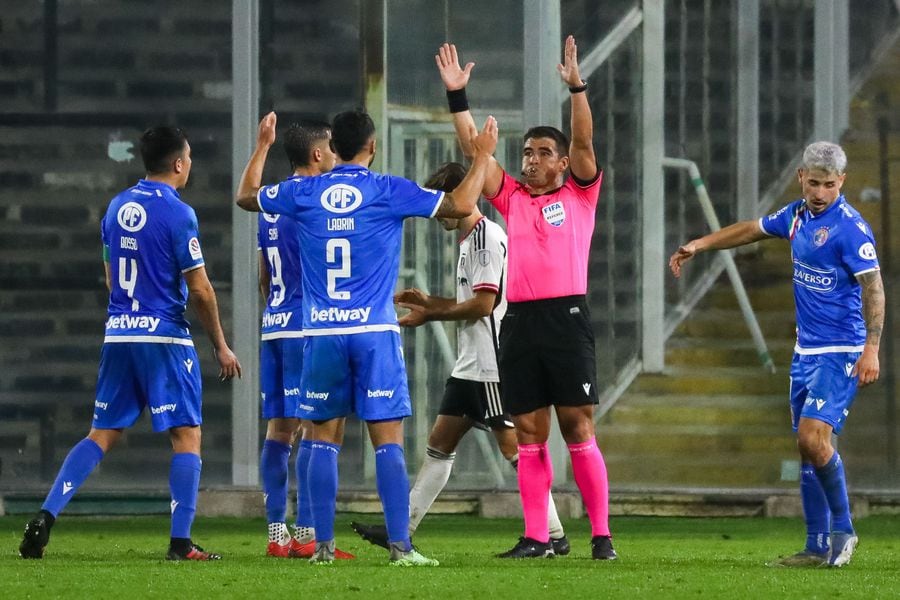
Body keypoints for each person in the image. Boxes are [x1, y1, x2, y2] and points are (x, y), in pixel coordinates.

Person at [235, 109, 498, 566]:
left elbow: (246, 197)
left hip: (322, 333)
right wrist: (482, 158)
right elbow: (458, 205)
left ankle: (320, 547)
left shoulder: (304, 191)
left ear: (332, 148)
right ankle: (401, 547)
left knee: (320, 439)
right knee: (387, 439)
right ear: (372, 147)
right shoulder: (388, 189)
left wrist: (262, 146)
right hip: (374, 333)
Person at [19, 126, 242, 561]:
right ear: (179, 163)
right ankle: (180, 543)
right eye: (189, 158)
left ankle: (46, 516)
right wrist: (220, 344)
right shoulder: (180, 215)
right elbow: (200, 289)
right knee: (186, 435)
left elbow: (109, 276)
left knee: (101, 433)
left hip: (119, 333)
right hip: (163, 338)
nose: (190, 165)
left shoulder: (116, 207)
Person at [435, 36, 616, 560]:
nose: (531, 161)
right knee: (530, 435)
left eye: (542, 154)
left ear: (562, 163)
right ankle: (538, 537)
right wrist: (458, 98)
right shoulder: (511, 197)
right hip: (520, 322)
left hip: (566, 318)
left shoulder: (579, 193)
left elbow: (583, 142)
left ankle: (601, 537)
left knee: (577, 426)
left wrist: (577, 86)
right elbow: (478, 153)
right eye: (527, 154)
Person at [669, 141, 884, 568]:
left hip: (840, 350)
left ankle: (844, 531)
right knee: (807, 449)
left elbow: (873, 288)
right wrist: (701, 243)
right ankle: (814, 545)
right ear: (801, 177)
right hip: (806, 350)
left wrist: (871, 349)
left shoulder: (850, 229)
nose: (820, 192)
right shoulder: (797, 215)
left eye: (829, 185)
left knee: (812, 438)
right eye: (814, 183)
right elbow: (751, 228)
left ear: (841, 182)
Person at [350, 162, 570, 555]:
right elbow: (472, 302)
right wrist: (428, 301)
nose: (441, 214)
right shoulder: (471, 241)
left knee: (514, 450)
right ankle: (401, 527)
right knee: (440, 443)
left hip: (492, 364)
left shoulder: (486, 238)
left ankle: (551, 535)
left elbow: (484, 305)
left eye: (446, 203)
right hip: (470, 365)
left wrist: (431, 313)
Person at [250, 120, 353, 560]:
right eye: (330, 148)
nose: (335, 155)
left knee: (278, 432)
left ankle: (277, 534)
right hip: (304, 327)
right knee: (318, 429)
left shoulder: (273, 202)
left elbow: (263, 275)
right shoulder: (312, 199)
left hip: (273, 325)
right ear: (316, 155)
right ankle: (308, 532)